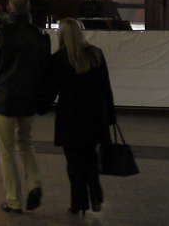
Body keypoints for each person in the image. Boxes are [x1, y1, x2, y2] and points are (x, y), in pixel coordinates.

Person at [0, 0, 52, 215]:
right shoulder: (41, 36)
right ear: (28, 10)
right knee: (25, 143)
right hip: (29, 100)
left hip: (4, 100)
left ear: (8, 9)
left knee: (6, 150)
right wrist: (44, 100)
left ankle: (14, 200)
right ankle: (35, 183)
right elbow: (46, 72)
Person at [45, 18, 116, 215]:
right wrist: (110, 117)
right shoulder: (96, 54)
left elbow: (51, 92)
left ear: (62, 35)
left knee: (74, 162)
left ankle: (78, 203)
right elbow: (105, 88)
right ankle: (95, 191)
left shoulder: (59, 59)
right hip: (94, 116)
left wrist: (38, 107)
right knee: (90, 156)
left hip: (70, 117)